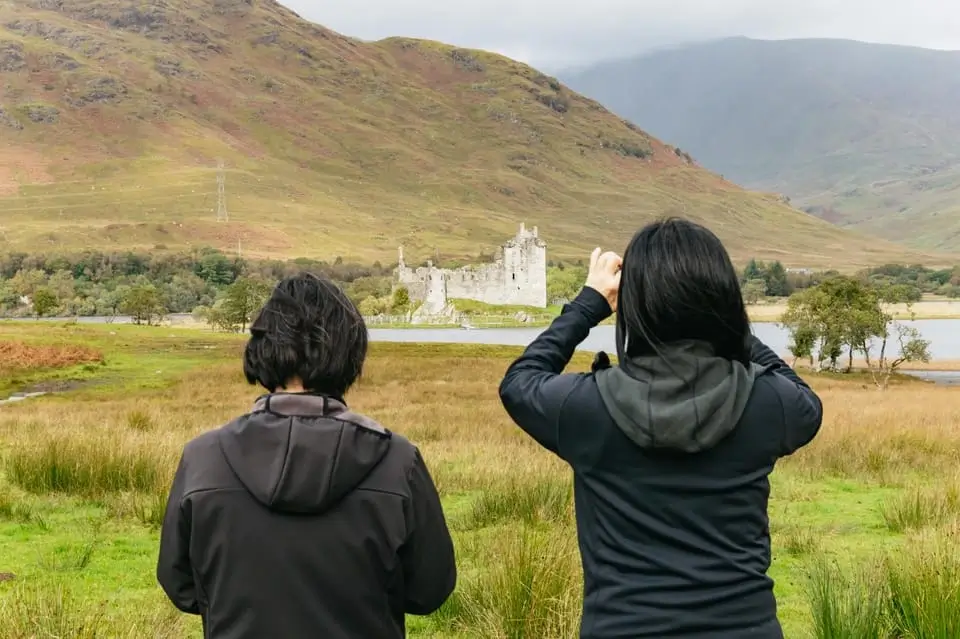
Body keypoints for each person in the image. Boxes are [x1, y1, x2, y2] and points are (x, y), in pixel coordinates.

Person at [498, 217, 823, 638]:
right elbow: (805, 401)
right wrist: (730, 326)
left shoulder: (587, 408)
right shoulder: (766, 403)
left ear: (634, 305)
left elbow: (519, 383)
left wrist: (590, 303)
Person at [157, 272, 456, 639]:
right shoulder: (399, 461)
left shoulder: (202, 458)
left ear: (261, 349)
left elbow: (180, 585)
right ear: (350, 355)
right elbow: (429, 590)